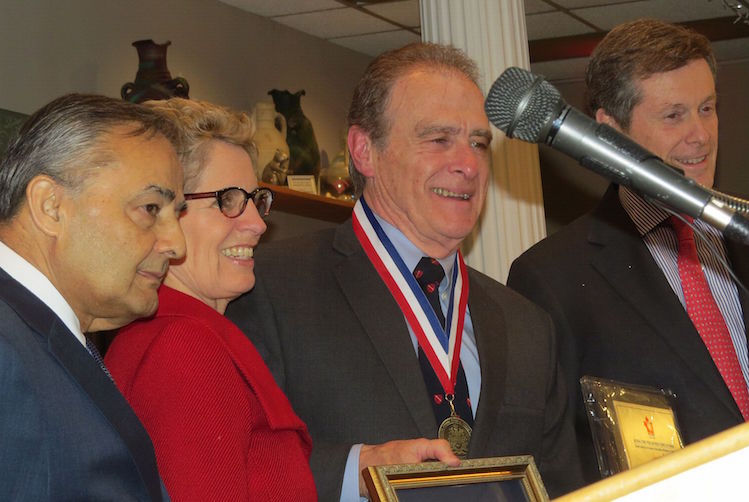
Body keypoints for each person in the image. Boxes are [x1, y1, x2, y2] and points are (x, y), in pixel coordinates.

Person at [227, 42, 583, 500]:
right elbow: (232, 462)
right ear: (364, 151)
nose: (468, 164)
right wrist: (356, 470)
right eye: (439, 140)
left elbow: (563, 487)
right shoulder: (269, 288)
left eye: (478, 142)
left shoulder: (527, 325)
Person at [507, 18, 749, 484]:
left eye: (707, 108)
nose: (700, 134)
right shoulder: (552, 278)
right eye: (673, 115)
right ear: (610, 134)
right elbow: (555, 461)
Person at [104, 99, 317, 501]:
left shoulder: (183, 336)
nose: (256, 224)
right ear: (165, 213)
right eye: (228, 200)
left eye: (256, 200)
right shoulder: (184, 348)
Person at [0, 93, 186, 500]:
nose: (176, 244)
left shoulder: (33, 335)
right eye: (150, 208)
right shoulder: (0, 348)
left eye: (177, 214)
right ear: (51, 206)